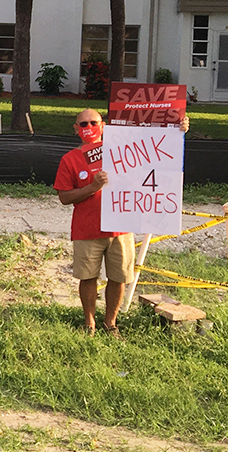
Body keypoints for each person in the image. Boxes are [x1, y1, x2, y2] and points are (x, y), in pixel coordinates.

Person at [53, 108, 189, 337]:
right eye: (83, 124)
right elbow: (65, 197)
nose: (89, 128)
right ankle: (89, 324)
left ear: (103, 125)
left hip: (121, 227)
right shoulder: (70, 159)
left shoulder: (121, 150)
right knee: (87, 277)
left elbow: (155, 150)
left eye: (93, 123)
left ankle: (110, 324)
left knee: (119, 278)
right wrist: (92, 188)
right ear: (76, 129)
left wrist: (177, 132)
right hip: (87, 229)